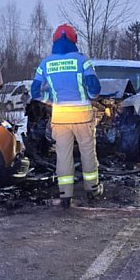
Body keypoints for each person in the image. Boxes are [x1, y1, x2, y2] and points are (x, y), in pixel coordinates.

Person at [31, 24, 103, 208]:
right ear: (73, 40)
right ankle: (92, 189)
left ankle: (65, 194)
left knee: (63, 155)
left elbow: (35, 92)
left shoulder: (45, 63)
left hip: (60, 117)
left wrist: (51, 100)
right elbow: (95, 90)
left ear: (54, 40)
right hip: (82, 116)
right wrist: (88, 97)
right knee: (88, 152)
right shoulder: (82, 61)